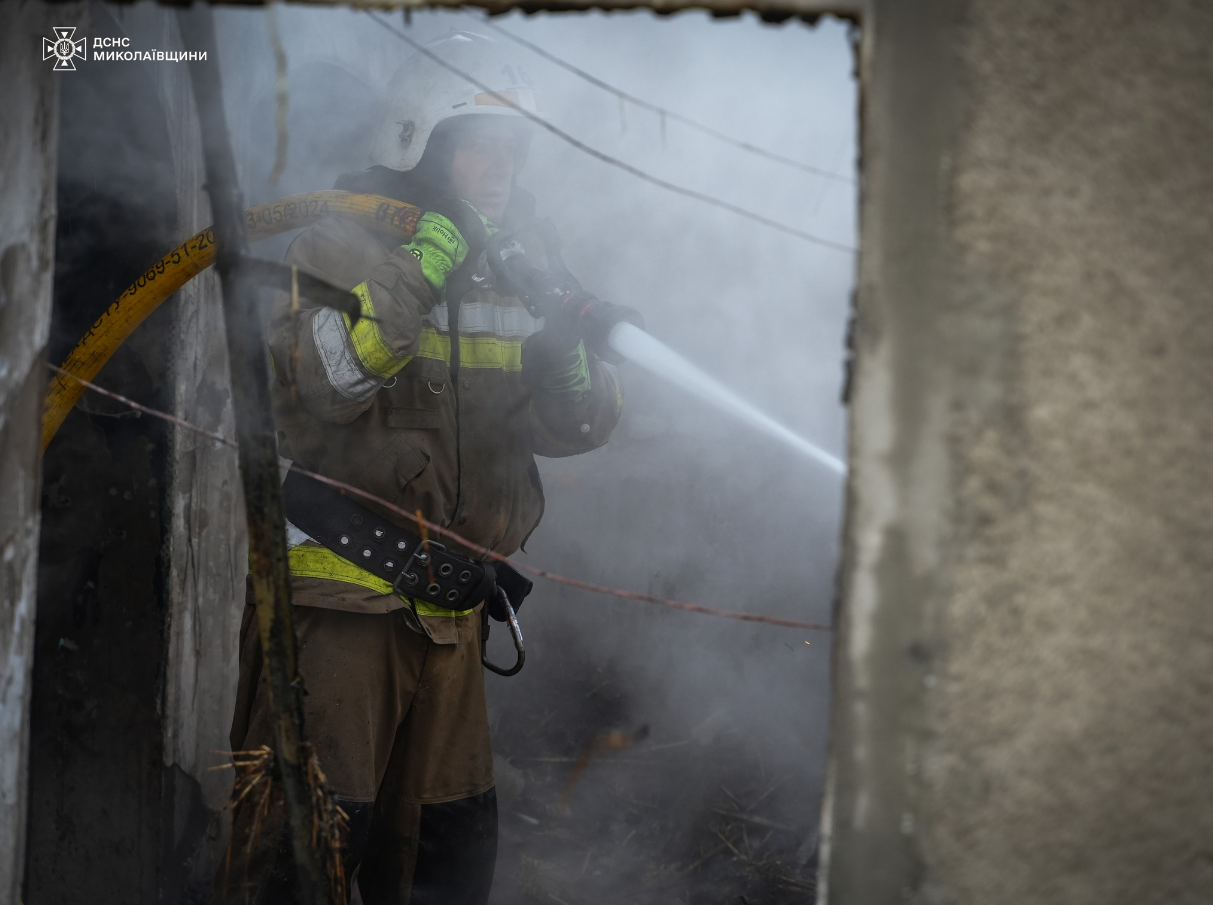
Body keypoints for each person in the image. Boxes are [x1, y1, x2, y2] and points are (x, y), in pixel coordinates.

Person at [220, 32, 624, 904]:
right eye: (479, 143)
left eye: (512, 147)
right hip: (344, 616)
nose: (501, 167)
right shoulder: (339, 248)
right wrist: (421, 268)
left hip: (454, 622)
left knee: (446, 866)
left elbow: (583, 425)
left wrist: (564, 361)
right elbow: (322, 387)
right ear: (424, 144)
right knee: (304, 858)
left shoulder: (517, 266)